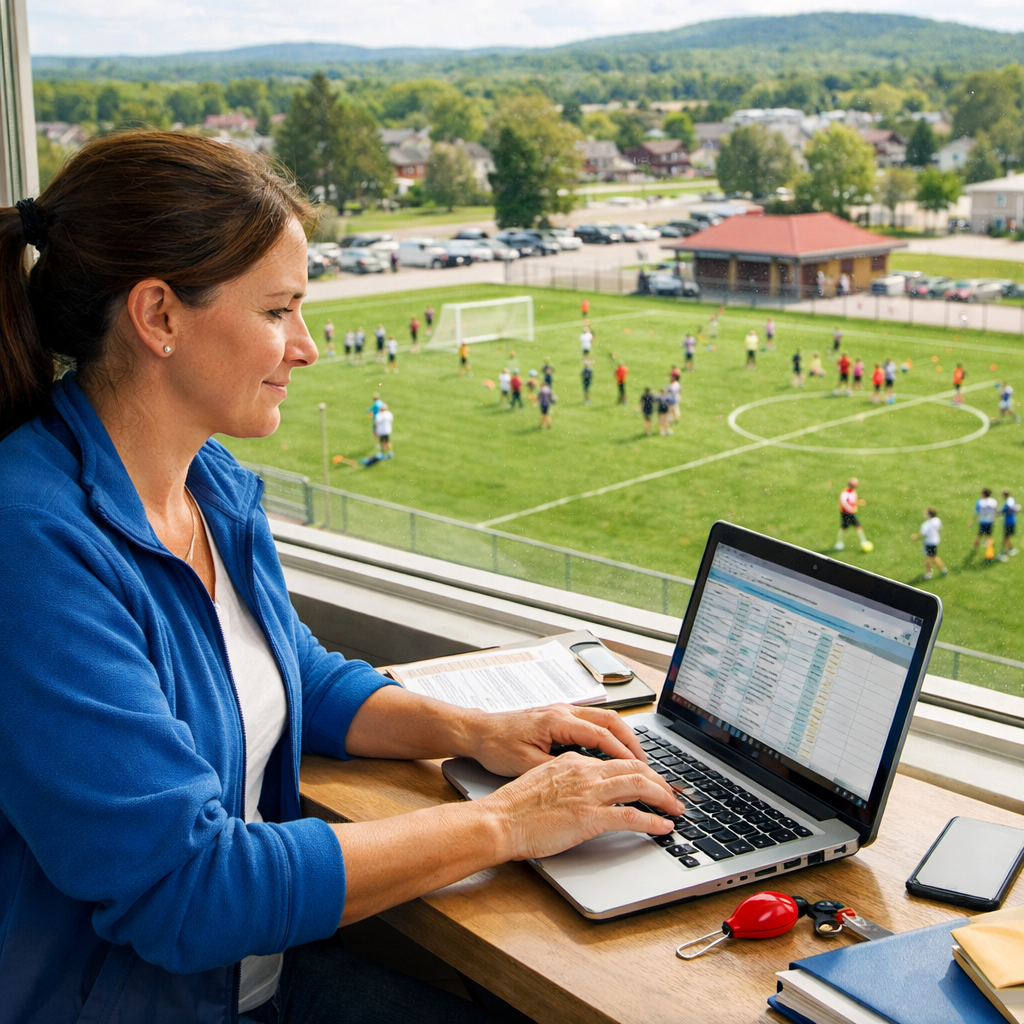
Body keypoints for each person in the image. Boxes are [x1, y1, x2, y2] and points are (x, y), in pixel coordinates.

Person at [0, 130, 680, 1024]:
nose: (306, 347)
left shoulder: (207, 486)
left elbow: (292, 676)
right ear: (159, 316)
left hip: (257, 979)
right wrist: (508, 823)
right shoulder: (33, 543)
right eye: (278, 311)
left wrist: (478, 730)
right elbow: (183, 890)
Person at [836, 478, 873, 552]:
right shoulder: (845, 493)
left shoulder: (853, 492)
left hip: (850, 512)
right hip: (847, 513)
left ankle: (840, 543)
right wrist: (850, 509)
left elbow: (851, 501)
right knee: (852, 527)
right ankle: (863, 541)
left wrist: (858, 502)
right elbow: (844, 502)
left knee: (845, 527)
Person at [914, 509, 948, 580]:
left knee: (927, 560)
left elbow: (923, 535)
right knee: (934, 557)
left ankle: (929, 574)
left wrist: (915, 537)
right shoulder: (937, 520)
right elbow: (940, 528)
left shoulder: (926, 525)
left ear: (929, 515)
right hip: (935, 541)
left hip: (929, 543)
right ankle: (943, 570)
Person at [973, 487, 999, 557]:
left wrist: (973, 520)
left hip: (982, 521)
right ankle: (989, 552)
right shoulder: (993, 501)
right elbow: (996, 511)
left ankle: (975, 548)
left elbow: (976, 511)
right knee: (988, 536)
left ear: (984, 494)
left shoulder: (980, 502)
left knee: (979, 535)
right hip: (990, 521)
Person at [1000, 488, 1020, 561]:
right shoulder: (1011, 500)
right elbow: (1015, 509)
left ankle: (1004, 553)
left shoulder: (1008, 502)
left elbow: (1005, 510)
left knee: (1006, 537)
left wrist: (998, 512)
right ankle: (1010, 549)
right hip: (1012, 521)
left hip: (1008, 522)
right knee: (1008, 536)